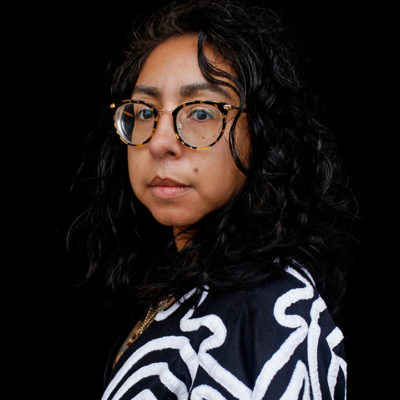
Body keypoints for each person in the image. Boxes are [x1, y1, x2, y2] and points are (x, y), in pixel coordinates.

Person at [69, 0, 358, 398]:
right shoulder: (184, 289)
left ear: (261, 132)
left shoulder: (269, 310)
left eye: (201, 113)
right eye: (144, 110)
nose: (161, 141)